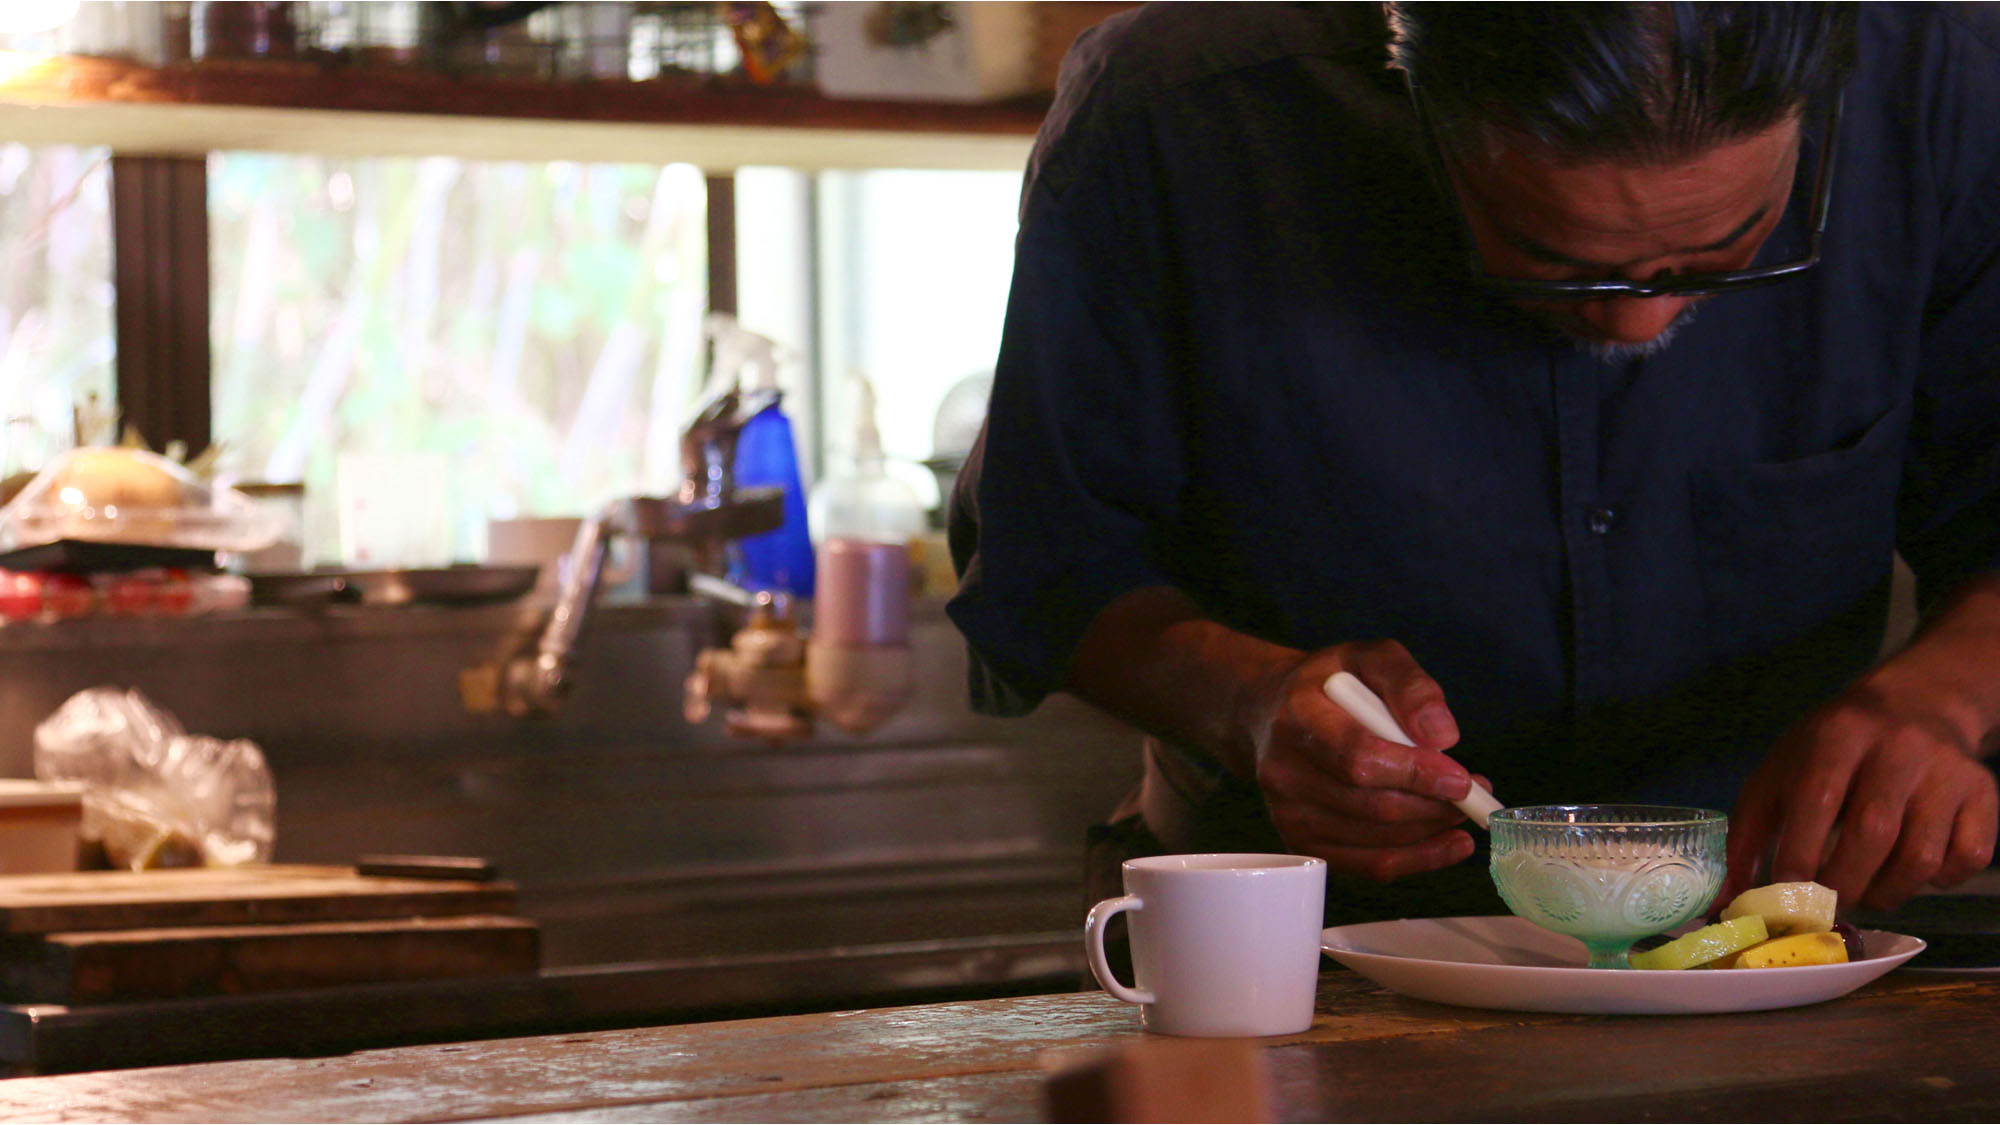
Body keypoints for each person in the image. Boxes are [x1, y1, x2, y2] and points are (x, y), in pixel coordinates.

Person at [946, 2, 2000, 926]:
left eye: (1723, 256)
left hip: (1761, 934)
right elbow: (1049, 564)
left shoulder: (1944, 93)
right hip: (1287, 932)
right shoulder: (1179, 112)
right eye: (1553, 263)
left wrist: (1937, 701)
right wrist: (1253, 703)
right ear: (1415, 92)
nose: (1642, 326)